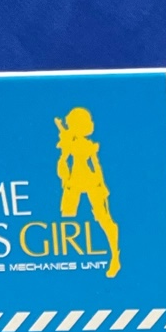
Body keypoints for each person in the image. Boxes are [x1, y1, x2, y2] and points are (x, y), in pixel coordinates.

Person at [54, 107, 120, 278]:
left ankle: (115, 256)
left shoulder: (88, 145)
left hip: (91, 181)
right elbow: (62, 161)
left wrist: (101, 186)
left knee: (104, 218)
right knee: (66, 217)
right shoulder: (70, 141)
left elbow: (96, 165)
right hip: (75, 181)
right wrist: (66, 180)